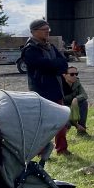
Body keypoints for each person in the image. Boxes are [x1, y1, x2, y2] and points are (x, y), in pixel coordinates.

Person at [21, 18, 70, 155]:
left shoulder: (51, 46)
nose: (47, 32)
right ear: (34, 32)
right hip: (41, 91)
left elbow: (63, 63)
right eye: (44, 29)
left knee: (61, 120)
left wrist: (53, 65)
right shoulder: (29, 50)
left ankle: (61, 148)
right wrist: (54, 65)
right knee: (42, 123)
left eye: (48, 29)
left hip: (56, 88)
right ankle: (41, 150)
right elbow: (42, 65)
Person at [61, 67, 90, 137]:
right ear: (64, 75)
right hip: (62, 107)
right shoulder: (59, 85)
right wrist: (76, 125)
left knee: (84, 103)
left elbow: (84, 95)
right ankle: (61, 139)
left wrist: (76, 99)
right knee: (67, 124)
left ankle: (82, 131)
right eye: (72, 74)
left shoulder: (77, 82)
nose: (75, 76)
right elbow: (60, 104)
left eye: (76, 74)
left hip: (73, 105)